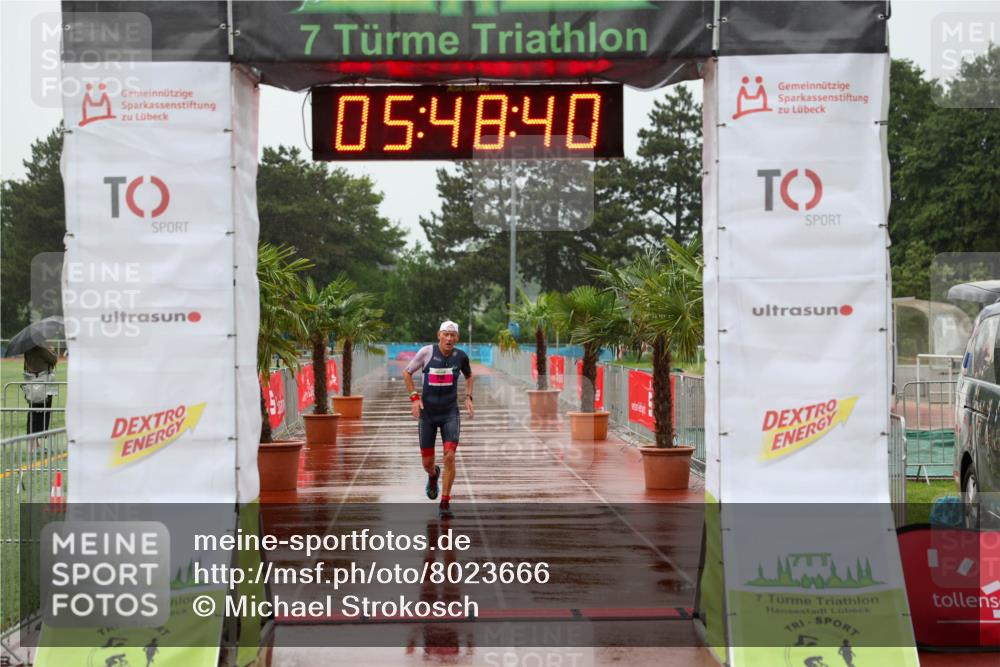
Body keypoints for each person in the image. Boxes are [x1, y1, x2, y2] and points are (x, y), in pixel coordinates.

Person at [403, 321, 474, 519]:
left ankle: (445, 501)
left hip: (450, 413)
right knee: (427, 463)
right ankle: (433, 475)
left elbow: (469, 376)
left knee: (450, 455)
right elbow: (407, 372)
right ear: (439, 335)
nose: (449, 338)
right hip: (428, 415)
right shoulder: (426, 353)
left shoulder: (461, 356)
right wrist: (415, 399)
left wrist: (468, 397)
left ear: (457, 338)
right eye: (446, 334)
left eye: (453, 335)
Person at [24, 344, 58, 435]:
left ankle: (35, 444)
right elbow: (54, 359)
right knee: (40, 415)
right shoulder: (40, 349)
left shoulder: (27, 350)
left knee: (33, 413)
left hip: (32, 385)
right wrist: (52, 351)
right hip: (42, 386)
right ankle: (34, 446)